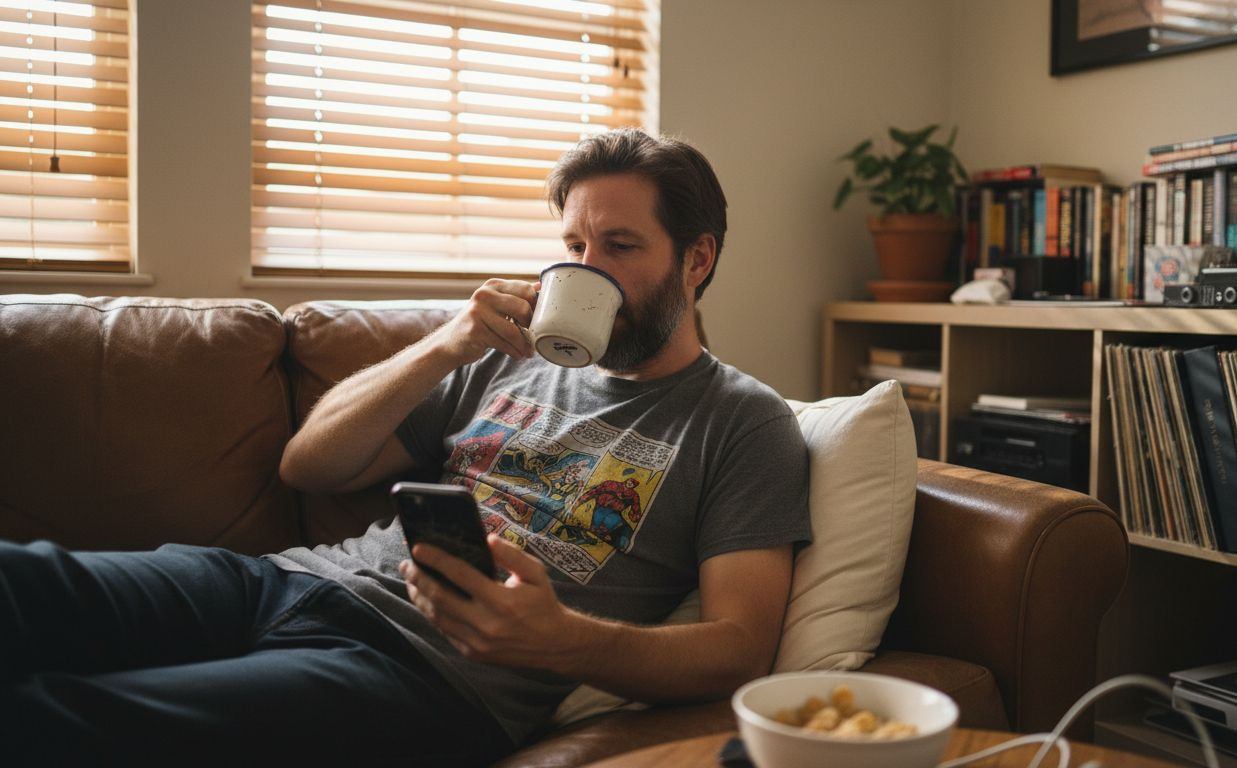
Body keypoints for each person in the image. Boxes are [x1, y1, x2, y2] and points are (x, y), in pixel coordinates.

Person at [0, 129, 811, 765]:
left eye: (620, 247)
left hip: (425, 676)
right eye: (573, 246)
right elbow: (309, 464)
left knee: (55, 720)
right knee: (24, 581)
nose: (585, 268)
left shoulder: (742, 421)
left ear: (696, 260)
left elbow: (740, 648)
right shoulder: (500, 357)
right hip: (282, 584)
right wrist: (445, 344)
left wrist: (566, 640)